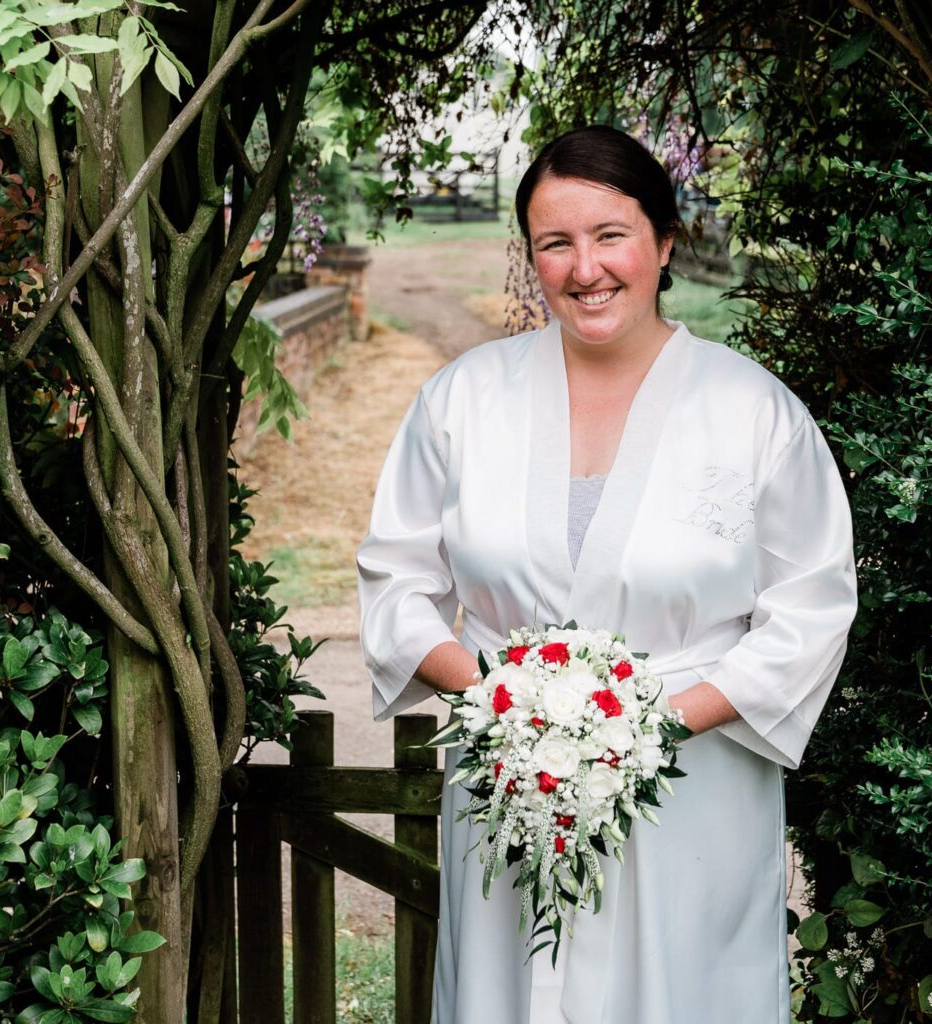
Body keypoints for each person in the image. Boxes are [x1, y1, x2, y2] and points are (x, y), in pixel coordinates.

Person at [355, 125, 858, 1023]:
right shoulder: (462, 402)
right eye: (556, 243)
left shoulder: (754, 413)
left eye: (610, 235)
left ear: (665, 242)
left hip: (692, 792)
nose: (585, 268)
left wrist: (643, 730)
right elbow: (396, 587)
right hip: (514, 783)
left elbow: (810, 610)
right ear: (532, 259)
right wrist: (515, 709)